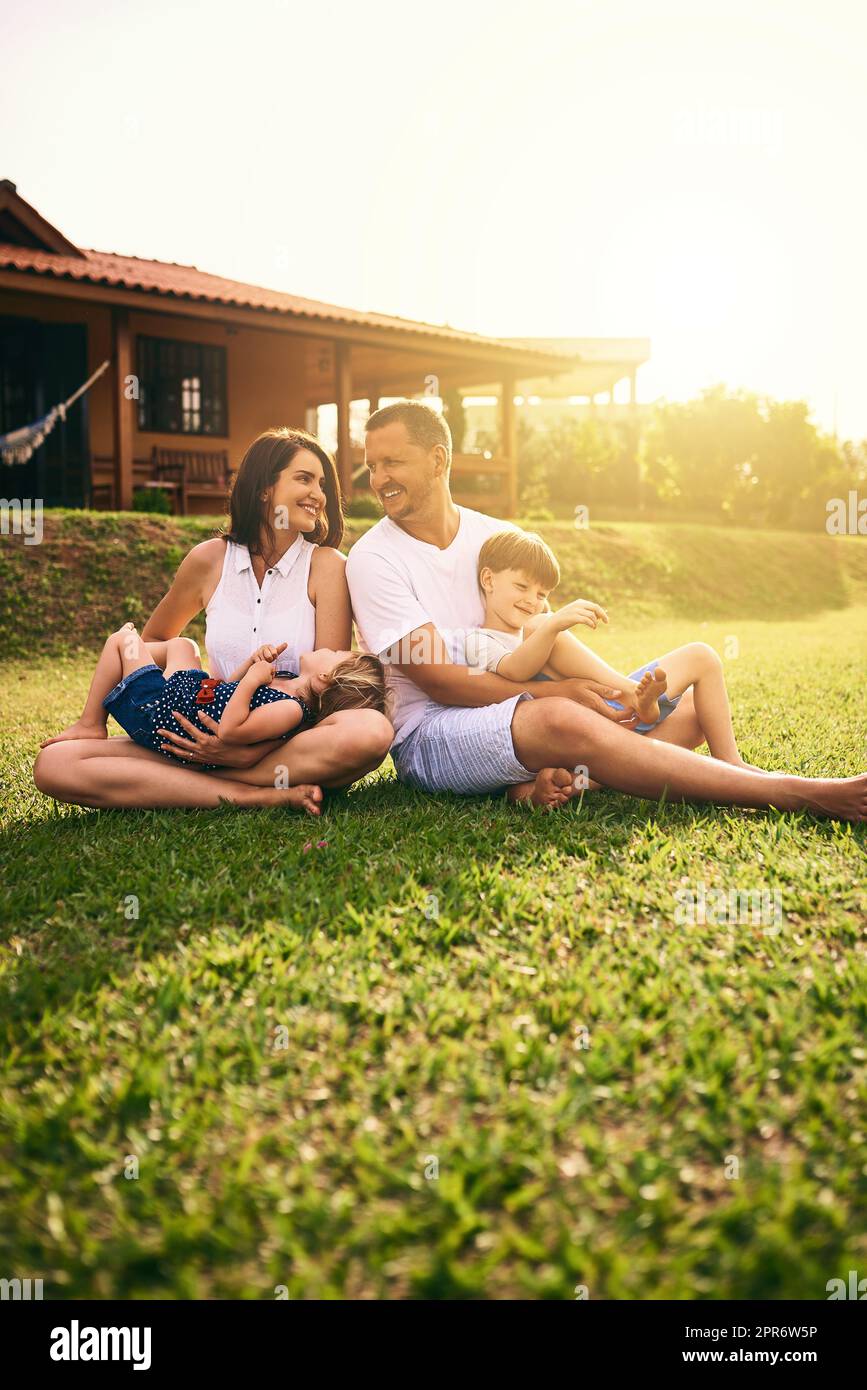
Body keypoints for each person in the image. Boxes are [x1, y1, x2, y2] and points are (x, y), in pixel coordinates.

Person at [346, 399, 866, 820]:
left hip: (527, 708)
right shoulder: (374, 558)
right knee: (560, 716)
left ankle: (574, 774)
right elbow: (442, 683)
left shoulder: (496, 537)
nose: (378, 477)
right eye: (372, 466)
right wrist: (557, 692)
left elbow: (546, 633)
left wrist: (618, 691)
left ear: (437, 460)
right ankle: (789, 792)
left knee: (686, 716)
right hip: (434, 735)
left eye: (393, 462)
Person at [33, 429, 392, 814]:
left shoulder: (327, 566)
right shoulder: (208, 560)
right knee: (54, 766)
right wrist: (187, 698)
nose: (319, 494)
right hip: (202, 731)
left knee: (371, 731)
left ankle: (215, 783)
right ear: (264, 489)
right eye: (304, 479)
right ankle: (242, 791)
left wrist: (238, 749)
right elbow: (154, 642)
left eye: (322, 483)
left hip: (278, 749)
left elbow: (327, 697)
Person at [468, 527, 762, 770]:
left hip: (608, 717)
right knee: (699, 658)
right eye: (522, 587)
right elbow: (515, 668)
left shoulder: (534, 625)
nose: (532, 600)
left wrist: (548, 622)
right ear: (488, 579)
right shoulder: (481, 640)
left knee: (699, 690)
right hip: (583, 728)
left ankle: (602, 771)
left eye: (541, 594)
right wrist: (552, 623)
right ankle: (634, 699)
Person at [41, 623, 386, 770]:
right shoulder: (285, 682)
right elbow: (227, 690)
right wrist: (250, 665)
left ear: (327, 677)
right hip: (194, 694)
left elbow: (232, 732)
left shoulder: (291, 711)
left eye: (338, 652)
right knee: (182, 645)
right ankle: (132, 678)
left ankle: (90, 723)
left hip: (164, 711)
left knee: (123, 640)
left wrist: (252, 680)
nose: (330, 647)